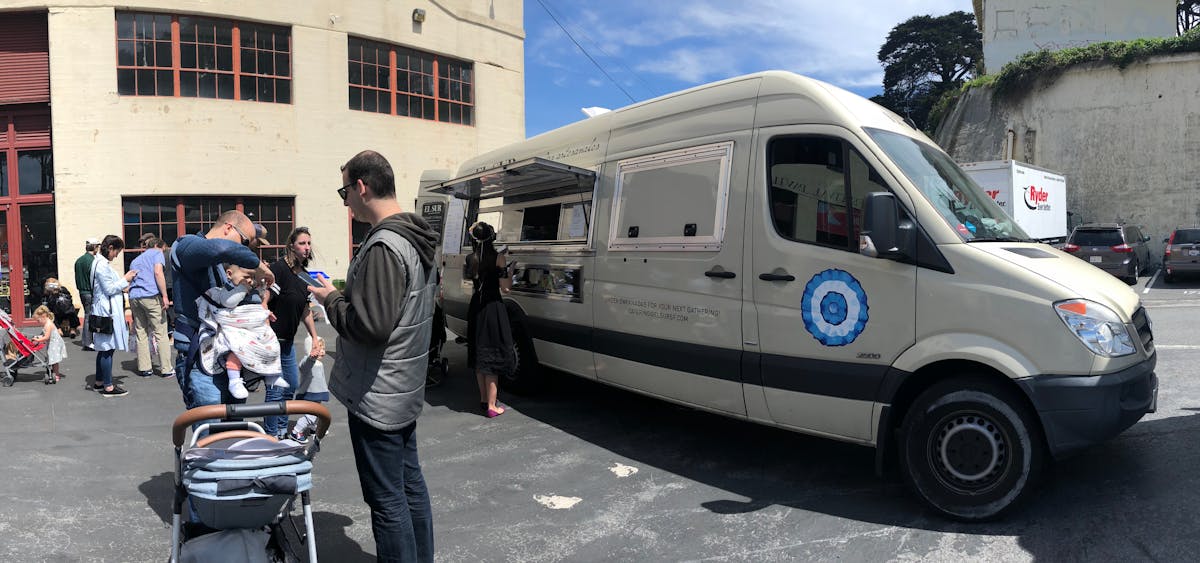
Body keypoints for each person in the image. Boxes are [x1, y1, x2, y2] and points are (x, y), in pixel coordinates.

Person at [309, 150, 438, 562]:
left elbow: (370, 326)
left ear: (361, 187)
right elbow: (393, 312)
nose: (345, 200)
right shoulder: (415, 236)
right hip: (403, 386)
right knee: (409, 485)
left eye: (344, 190)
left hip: (378, 394)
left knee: (387, 500)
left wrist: (331, 298)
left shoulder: (384, 243)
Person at [170, 211, 275, 409]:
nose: (246, 249)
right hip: (201, 357)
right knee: (211, 431)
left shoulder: (217, 263)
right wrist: (258, 264)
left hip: (226, 353)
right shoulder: (186, 245)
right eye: (245, 242)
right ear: (228, 227)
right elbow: (221, 247)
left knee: (235, 431)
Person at [261, 226, 324, 438]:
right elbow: (266, 298)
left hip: (287, 340)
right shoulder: (279, 269)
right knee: (276, 389)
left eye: (308, 243)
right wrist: (265, 318)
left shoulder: (305, 276)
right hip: (272, 339)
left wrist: (314, 337)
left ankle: (280, 428)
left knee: (291, 385)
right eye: (302, 243)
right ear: (292, 246)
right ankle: (272, 435)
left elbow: (305, 309)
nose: (306, 248)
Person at [196, 264, 287, 399]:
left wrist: (265, 313)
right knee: (238, 350)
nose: (249, 280)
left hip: (254, 325)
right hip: (236, 325)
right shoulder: (228, 289)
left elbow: (258, 304)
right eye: (246, 276)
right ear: (229, 274)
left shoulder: (252, 289)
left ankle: (271, 375)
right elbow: (229, 302)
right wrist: (243, 288)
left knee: (272, 344)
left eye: (252, 277)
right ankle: (234, 381)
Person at [466, 222, 516, 418]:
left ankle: (484, 399)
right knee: (493, 355)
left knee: (480, 354)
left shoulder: (470, 258)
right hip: (493, 307)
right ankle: (493, 406)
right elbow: (505, 288)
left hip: (476, 308)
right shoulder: (499, 258)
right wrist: (510, 271)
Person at [90, 235, 137, 397]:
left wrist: (123, 284)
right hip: (106, 312)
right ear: (110, 248)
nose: (117, 255)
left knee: (103, 349)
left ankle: (99, 381)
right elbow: (109, 289)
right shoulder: (101, 266)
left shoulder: (100, 263)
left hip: (104, 310)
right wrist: (126, 279)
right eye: (117, 251)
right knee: (107, 348)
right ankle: (108, 386)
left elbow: (108, 287)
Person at [129, 236, 174, 378]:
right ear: (160, 246)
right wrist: (165, 296)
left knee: (141, 332)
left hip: (134, 295)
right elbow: (158, 272)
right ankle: (166, 368)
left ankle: (145, 368)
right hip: (150, 295)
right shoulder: (157, 254)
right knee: (160, 332)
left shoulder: (136, 260)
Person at [74, 237, 100, 351]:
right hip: (90, 291)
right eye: (97, 246)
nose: (98, 249)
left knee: (88, 315)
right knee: (90, 316)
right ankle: (88, 342)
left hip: (82, 291)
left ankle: (88, 341)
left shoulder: (79, 260)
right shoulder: (92, 261)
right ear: (94, 247)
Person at [31, 305, 66, 382]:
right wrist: (38, 337)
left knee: (54, 361)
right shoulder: (47, 323)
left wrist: (38, 340)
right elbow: (45, 335)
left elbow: (46, 337)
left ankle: (56, 375)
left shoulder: (48, 325)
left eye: (38, 320)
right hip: (53, 342)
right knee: (52, 359)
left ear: (43, 316)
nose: (38, 322)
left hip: (55, 344)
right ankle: (54, 372)